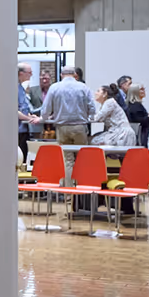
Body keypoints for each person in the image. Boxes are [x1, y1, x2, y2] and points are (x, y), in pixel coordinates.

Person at [39, 65, 95, 211]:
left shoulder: (55, 87)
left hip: (62, 127)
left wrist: (43, 119)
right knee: (82, 159)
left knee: (68, 160)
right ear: (74, 74)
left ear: (62, 74)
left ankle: (69, 194)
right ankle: (83, 192)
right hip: (80, 127)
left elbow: (46, 109)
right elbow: (92, 108)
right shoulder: (83, 87)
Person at [17, 63, 40, 164]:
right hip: (17, 129)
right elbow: (13, 110)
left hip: (23, 128)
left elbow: (23, 107)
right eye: (29, 73)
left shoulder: (20, 87)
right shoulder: (12, 88)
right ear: (21, 73)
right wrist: (27, 119)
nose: (31, 75)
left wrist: (30, 115)